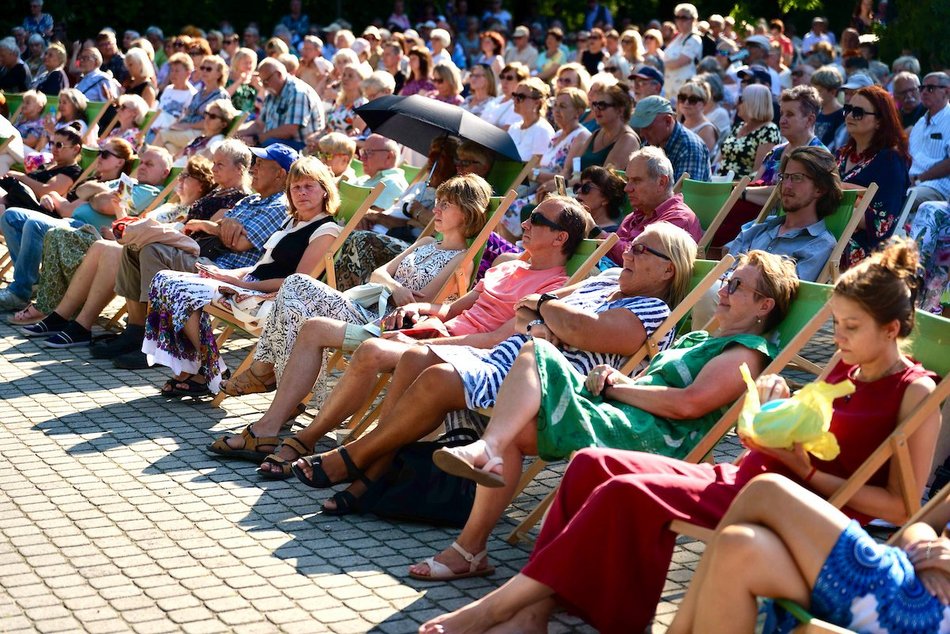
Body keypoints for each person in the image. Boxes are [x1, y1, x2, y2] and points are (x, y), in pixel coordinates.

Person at [420, 238, 939, 633]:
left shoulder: (914, 393)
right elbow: (784, 433)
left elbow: (901, 510)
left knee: (622, 490)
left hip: (790, 506)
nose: (839, 340)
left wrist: (802, 467)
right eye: (838, 326)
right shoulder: (846, 369)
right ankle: (540, 609)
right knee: (590, 465)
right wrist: (768, 413)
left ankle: (499, 606)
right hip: (749, 473)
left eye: (849, 328)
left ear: (891, 330)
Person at [416, 248, 794, 582]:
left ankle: (487, 451)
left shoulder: (746, 352)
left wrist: (617, 387)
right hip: (626, 411)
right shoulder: (700, 339)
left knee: (538, 355)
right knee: (518, 419)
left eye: (736, 287)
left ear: (765, 306)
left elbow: (688, 404)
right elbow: (651, 386)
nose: (723, 292)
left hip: (654, 435)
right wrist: (614, 377)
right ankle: (471, 550)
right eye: (727, 282)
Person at [319, 228, 695, 525]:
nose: (628, 252)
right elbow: (525, 309)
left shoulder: (653, 311)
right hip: (508, 357)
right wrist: (548, 316)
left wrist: (548, 315)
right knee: (416, 357)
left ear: (668, 269)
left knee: (437, 378)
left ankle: (358, 462)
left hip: (547, 385)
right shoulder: (607, 278)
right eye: (632, 245)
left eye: (642, 250)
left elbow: (580, 329)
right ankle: (371, 471)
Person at [210, 197, 587, 470]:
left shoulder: (552, 289)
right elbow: (451, 309)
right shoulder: (506, 265)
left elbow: (496, 340)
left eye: (537, 219)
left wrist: (431, 339)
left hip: (465, 353)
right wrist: (418, 309)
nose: (525, 223)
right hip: (433, 331)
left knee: (373, 351)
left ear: (559, 239)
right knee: (311, 327)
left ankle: (317, 441)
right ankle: (271, 428)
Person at [220, 173, 489, 409]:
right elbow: (379, 274)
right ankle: (272, 375)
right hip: (370, 310)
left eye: (446, 205)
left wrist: (394, 289)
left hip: (388, 326)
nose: (436, 210)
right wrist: (394, 286)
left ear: (466, 212)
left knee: (297, 288)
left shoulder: (460, 258)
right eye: (438, 203)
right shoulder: (426, 241)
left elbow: (425, 300)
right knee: (295, 286)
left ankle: (267, 374)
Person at [142, 156, 341, 395]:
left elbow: (298, 282)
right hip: (249, 282)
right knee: (165, 280)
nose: (301, 193)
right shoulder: (293, 221)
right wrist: (223, 274)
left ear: (325, 191)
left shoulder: (326, 230)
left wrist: (237, 283)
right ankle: (207, 366)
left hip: (269, 296)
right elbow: (260, 266)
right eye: (296, 187)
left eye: (309, 186)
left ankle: (209, 369)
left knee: (179, 289)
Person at [669, 474, 950, 633]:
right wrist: (929, 554)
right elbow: (924, 524)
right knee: (739, 548)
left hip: (925, 614)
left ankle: (677, 630)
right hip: (909, 576)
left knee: (766, 490)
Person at [94, 142, 284, 370]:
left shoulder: (278, 205)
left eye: (261, 165)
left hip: (222, 270)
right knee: (134, 246)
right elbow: (224, 230)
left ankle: (161, 341)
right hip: (205, 257)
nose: (254, 168)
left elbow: (239, 243)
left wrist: (213, 227)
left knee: (152, 249)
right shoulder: (250, 200)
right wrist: (222, 225)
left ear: (280, 174)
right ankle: (136, 331)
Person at [12, 147, 173, 340]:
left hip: (95, 234)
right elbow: (82, 189)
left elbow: (103, 203)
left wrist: (95, 195)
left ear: (164, 173)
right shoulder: (130, 184)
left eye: (150, 164)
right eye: (142, 162)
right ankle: (49, 302)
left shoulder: (149, 191)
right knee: (15, 217)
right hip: (77, 224)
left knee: (52, 230)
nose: (142, 167)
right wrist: (99, 194)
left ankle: (45, 303)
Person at [0, 137, 146, 313]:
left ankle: (20, 293)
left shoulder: (138, 188)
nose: (99, 157)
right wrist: (89, 193)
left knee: (34, 223)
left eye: (105, 154)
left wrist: (91, 194)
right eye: (99, 152)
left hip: (87, 232)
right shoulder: (100, 182)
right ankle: (32, 283)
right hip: (67, 222)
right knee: (11, 216)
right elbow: (80, 194)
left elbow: (97, 205)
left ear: (120, 162)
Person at [839, 85, 912, 267]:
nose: (849, 116)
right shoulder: (842, 154)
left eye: (858, 112)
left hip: (862, 247)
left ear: (879, 121)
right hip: (828, 232)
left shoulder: (890, 161)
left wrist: (838, 198)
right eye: (848, 109)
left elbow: (882, 225)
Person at [605, 147, 702, 263]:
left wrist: (599, 236)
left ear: (661, 183)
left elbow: (639, 261)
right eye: (628, 180)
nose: (627, 188)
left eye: (636, 181)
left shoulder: (679, 219)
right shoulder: (633, 217)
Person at [239, 58, 324, 151]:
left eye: (266, 81)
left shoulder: (298, 92)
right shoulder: (272, 92)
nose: (264, 86)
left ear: (278, 75)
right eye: (262, 82)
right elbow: (259, 124)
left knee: (268, 145)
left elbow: (289, 130)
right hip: (279, 142)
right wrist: (235, 134)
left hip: (303, 146)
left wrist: (256, 139)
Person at [154, 55, 229, 155]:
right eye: (202, 68)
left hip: (202, 133)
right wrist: (177, 125)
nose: (204, 71)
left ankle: (143, 165)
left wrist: (187, 126)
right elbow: (187, 114)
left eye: (209, 69)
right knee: (169, 146)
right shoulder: (198, 93)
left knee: (162, 135)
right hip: (187, 131)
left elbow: (215, 121)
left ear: (219, 74)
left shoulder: (221, 95)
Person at [569, 82, 639, 172]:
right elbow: (574, 168)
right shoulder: (596, 134)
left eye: (602, 105)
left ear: (620, 110)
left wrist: (570, 182)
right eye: (594, 104)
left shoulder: (629, 139)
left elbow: (605, 178)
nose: (596, 109)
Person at [906, 72, 950, 211]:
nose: (924, 92)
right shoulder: (920, 123)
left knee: (904, 198)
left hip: (938, 186)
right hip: (913, 183)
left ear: (947, 91)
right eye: (921, 88)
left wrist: (920, 178)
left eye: (930, 88)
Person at [718, 84, 781, 178]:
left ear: (753, 103)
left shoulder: (768, 130)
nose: (736, 104)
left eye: (740, 99)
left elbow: (758, 172)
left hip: (740, 188)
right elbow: (721, 159)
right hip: (719, 182)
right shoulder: (738, 127)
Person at [507, 78, 555, 162]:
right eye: (514, 95)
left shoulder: (543, 131)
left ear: (537, 103)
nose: (515, 100)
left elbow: (535, 167)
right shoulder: (513, 128)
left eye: (521, 97)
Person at [150, 53, 197, 137]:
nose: (173, 74)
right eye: (171, 70)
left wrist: (165, 130)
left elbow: (184, 118)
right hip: (154, 129)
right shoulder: (168, 89)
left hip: (171, 132)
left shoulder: (192, 94)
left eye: (177, 71)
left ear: (188, 73)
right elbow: (159, 111)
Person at [663, 4, 702, 97]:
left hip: (684, 89)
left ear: (693, 19)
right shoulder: (679, 38)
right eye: (677, 17)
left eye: (684, 17)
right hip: (670, 88)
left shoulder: (694, 39)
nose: (680, 21)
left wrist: (661, 63)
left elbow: (681, 61)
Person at [481, 62, 528, 131]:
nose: (504, 81)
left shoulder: (520, 105)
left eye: (509, 78)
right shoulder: (496, 100)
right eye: (502, 77)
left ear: (521, 82)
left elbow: (506, 131)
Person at [677, 81, 718, 153]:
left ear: (704, 103)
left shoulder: (707, 129)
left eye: (693, 100)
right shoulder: (681, 123)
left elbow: (700, 157)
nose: (686, 102)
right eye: (682, 98)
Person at [811, 66, 845, 150]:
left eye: (819, 91)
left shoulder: (843, 115)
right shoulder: (816, 113)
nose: (814, 94)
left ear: (833, 91)